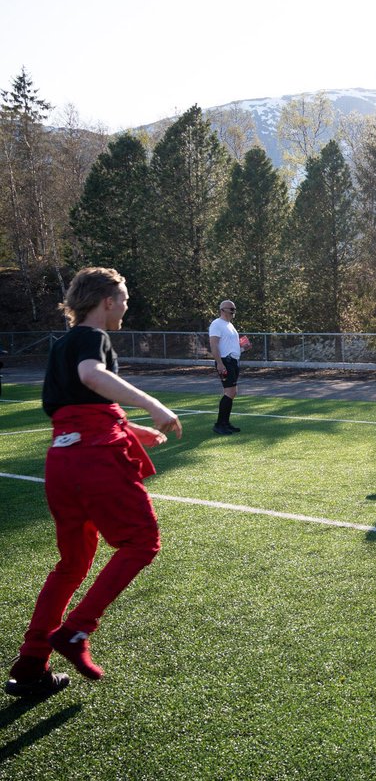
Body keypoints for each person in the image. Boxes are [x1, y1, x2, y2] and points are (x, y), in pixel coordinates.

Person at [6, 268, 182, 697]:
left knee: (71, 566)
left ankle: (31, 665)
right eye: (122, 298)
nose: (125, 306)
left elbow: (75, 409)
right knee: (141, 542)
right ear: (105, 301)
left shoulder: (59, 346)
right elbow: (91, 376)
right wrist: (153, 404)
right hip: (95, 459)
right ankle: (76, 631)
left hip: (62, 460)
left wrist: (130, 428)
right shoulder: (90, 338)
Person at [208, 299, 243, 435]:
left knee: (232, 393)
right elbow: (214, 345)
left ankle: (225, 423)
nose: (234, 312)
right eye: (231, 309)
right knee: (229, 392)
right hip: (225, 361)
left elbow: (229, 345)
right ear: (223, 310)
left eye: (234, 309)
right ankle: (219, 424)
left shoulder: (230, 325)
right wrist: (220, 363)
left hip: (233, 361)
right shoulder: (217, 324)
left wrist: (242, 347)